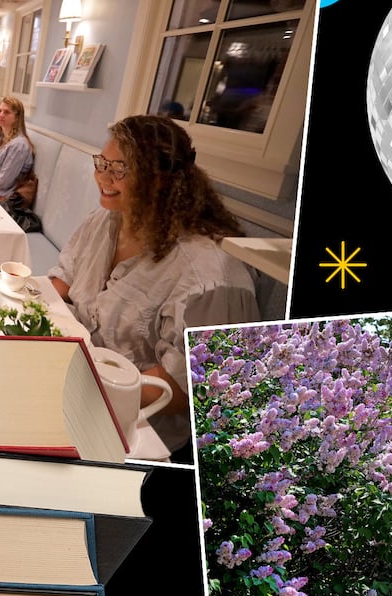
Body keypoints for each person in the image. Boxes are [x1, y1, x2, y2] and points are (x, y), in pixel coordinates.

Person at [48, 115, 260, 458]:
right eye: (101, 162)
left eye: (119, 169)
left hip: (136, 427)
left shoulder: (208, 276)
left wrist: (82, 386)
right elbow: (63, 279)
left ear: (160, 179)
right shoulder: (107, 218)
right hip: (72, 374)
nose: (102, 176)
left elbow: (182, 389)